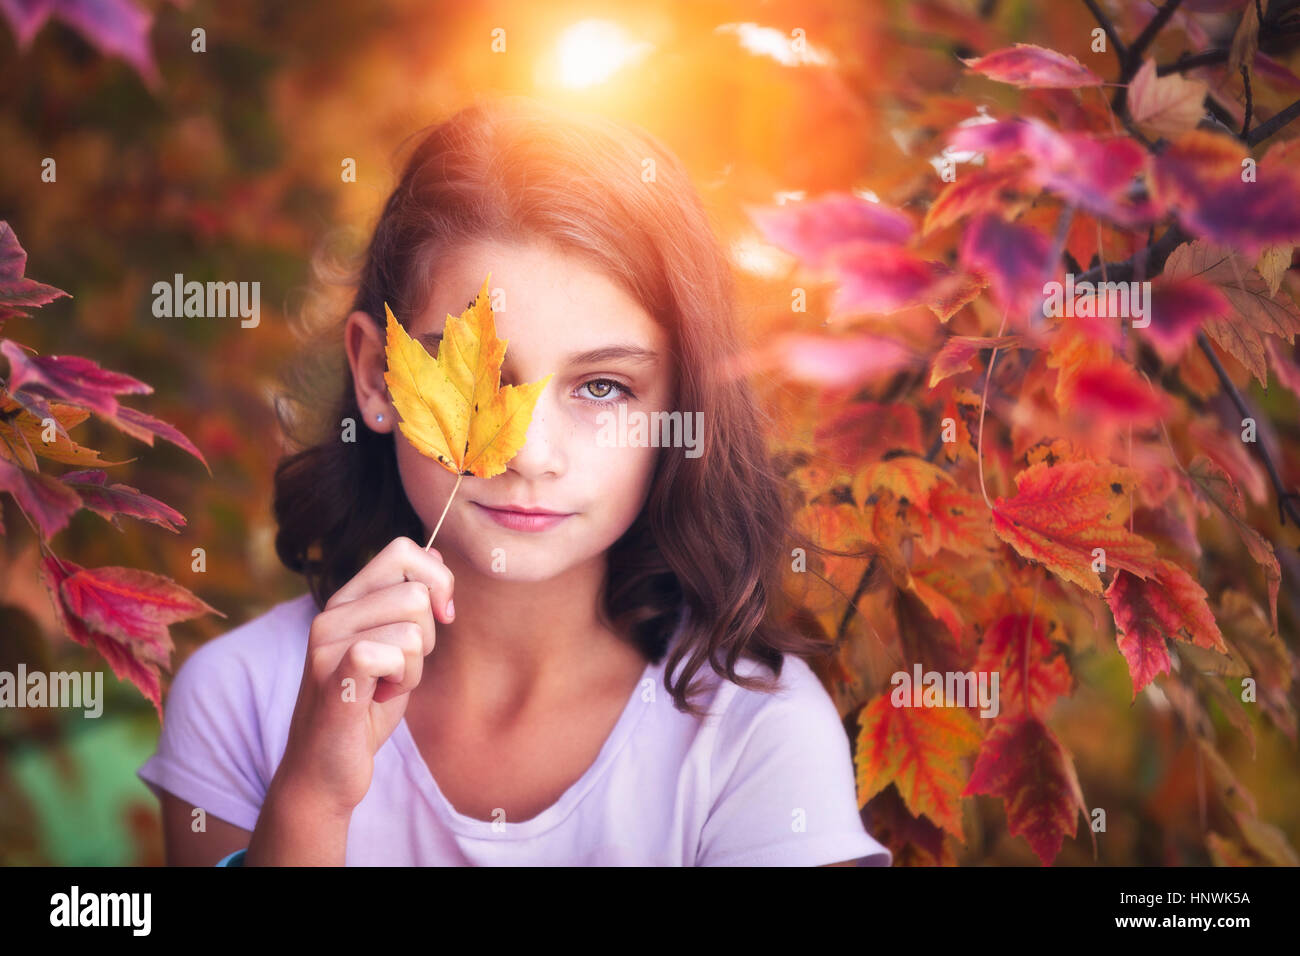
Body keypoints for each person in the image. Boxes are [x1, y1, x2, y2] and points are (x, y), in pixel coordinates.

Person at [137, 93, 893, 867]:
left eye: (602, 387)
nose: (529, 453)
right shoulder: (239, 699)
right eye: (482, 382)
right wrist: (311, 801)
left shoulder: (753, 735)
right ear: (377, 376)